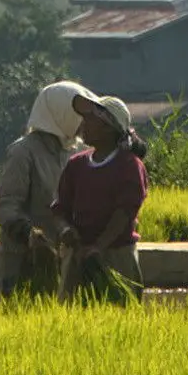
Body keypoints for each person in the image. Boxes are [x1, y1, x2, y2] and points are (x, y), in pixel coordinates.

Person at [0, 80, 91, 297]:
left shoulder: (77, 152)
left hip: (62, 255)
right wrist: (29, 234)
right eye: (77, 112)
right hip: (22, 258)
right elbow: (5, 205)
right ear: (59, 112)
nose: (82, 120)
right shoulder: (23, 152)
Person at [51, 93, 149, 301]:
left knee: (120, 311)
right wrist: (66, 230)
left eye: (90, 120)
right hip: (78, 254)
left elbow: (125, 213)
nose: (83, 124)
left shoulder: (129, 166)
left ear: (108, 127)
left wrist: (98, 247)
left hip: (116, 254)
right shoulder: (76, 165)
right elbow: (60, 208)